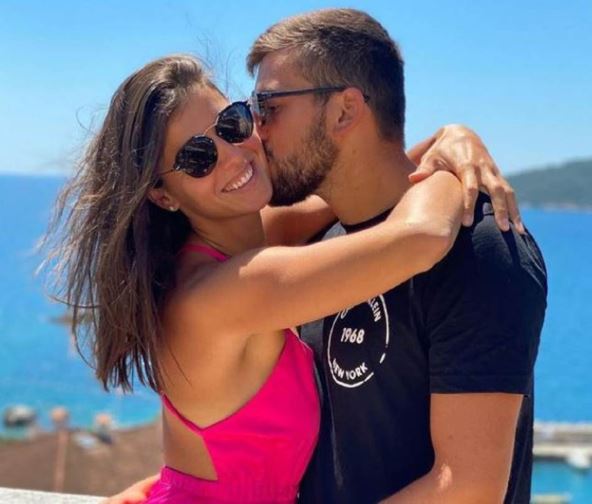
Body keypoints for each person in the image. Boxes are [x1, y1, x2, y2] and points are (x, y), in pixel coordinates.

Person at [47, 47, 521, 502]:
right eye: (197, 157)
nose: (233, 155)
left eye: (232, 124)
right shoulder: (227, 292)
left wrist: (455, 137)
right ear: (163, 195)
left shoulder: (248, 241)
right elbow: (421, 238)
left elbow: (367, 182)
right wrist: (455, 170)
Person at [242, 8, 546, 503]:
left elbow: (468, 487)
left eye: (269, 106)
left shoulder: (479, 245)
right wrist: (448, 137)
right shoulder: (320, 249)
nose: (257, 131)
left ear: (344, 111)